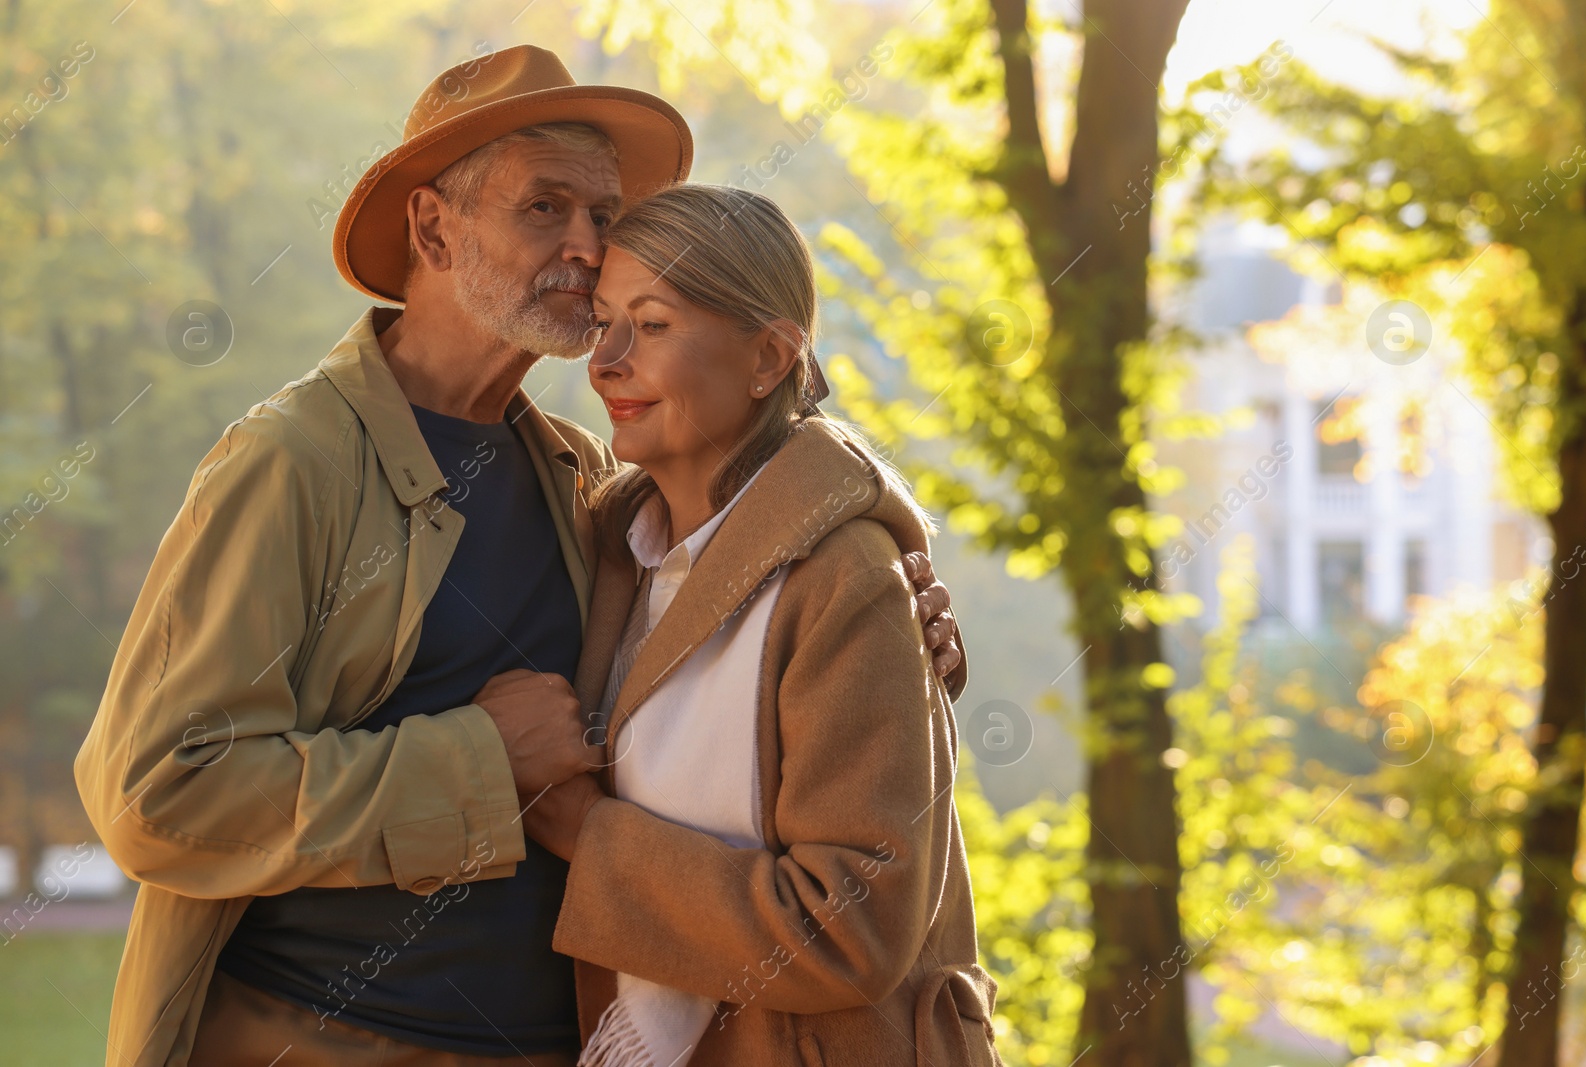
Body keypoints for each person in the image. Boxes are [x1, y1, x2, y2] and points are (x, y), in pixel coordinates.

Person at [74, 45, 961, 1067]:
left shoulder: (586, 478)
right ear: (431, 226)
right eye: (545, 206)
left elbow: (760, 536)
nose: (587, 247)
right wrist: (480, 763)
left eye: (604, 214)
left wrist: (891, 574)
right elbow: (159, 791)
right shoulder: (292, 463)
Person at [512, 183, 1000, 1067]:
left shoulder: (848, 578)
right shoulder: (613, 551)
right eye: (604, 321)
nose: (606, 360)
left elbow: (851, 926)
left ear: (769, 357)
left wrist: (583, 829)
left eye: (652, 326)